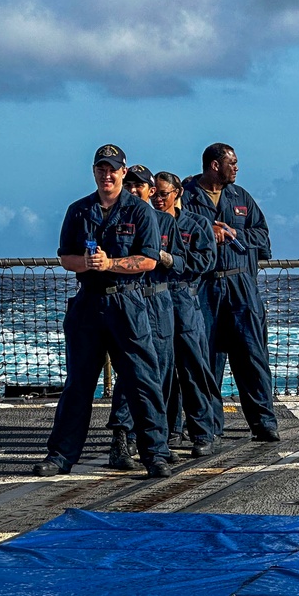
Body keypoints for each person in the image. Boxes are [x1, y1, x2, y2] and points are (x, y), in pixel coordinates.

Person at [37, 145, 175, 479]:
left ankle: (155, 453)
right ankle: (60, 456)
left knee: (142, 382)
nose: (107, 174)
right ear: (94, 171)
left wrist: (110, 263)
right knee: (78, 385)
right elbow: (64, 257)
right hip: (89, 302)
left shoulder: (139, 212)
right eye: (101, 168)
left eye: (112, 169)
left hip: (127, 302)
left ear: (123, 172)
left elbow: (149, 260)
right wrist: (85, 263)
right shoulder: (79, 210)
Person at [182, 143, 279, 442]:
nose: (236, 167)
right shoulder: (186, 195)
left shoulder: (241, 198)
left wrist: (236, 233)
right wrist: (205, 233)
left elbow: (263, 237)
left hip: (241, 286)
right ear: (214, 165)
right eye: (231, 162)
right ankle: (209, 426)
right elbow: (172, 230)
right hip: (203, 285)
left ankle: (263, 422)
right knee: (205, 357)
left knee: (252, 355)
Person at [106, 165, 180, 470]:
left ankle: (155, 441)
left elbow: (183, 261)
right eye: (131, 185)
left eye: (142, 186)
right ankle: (121, 439)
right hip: (132, 299)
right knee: (130, 374)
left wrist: (164, 258)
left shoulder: (165, 222)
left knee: (160, 372)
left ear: (152, 190)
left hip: (160, 299)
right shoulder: (117, 217)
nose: (135, 190)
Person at [152, 171, 221, 457]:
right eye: (154, 193)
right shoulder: (150, 223)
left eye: (163, 193)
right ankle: (169, 431)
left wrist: (173, 260)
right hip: (157, 298)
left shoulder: (197, 223)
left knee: (194, 367)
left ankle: (203, 432)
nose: (157, 198)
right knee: (163, 370)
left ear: (178, 193)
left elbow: (207, 260)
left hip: (184, 296)